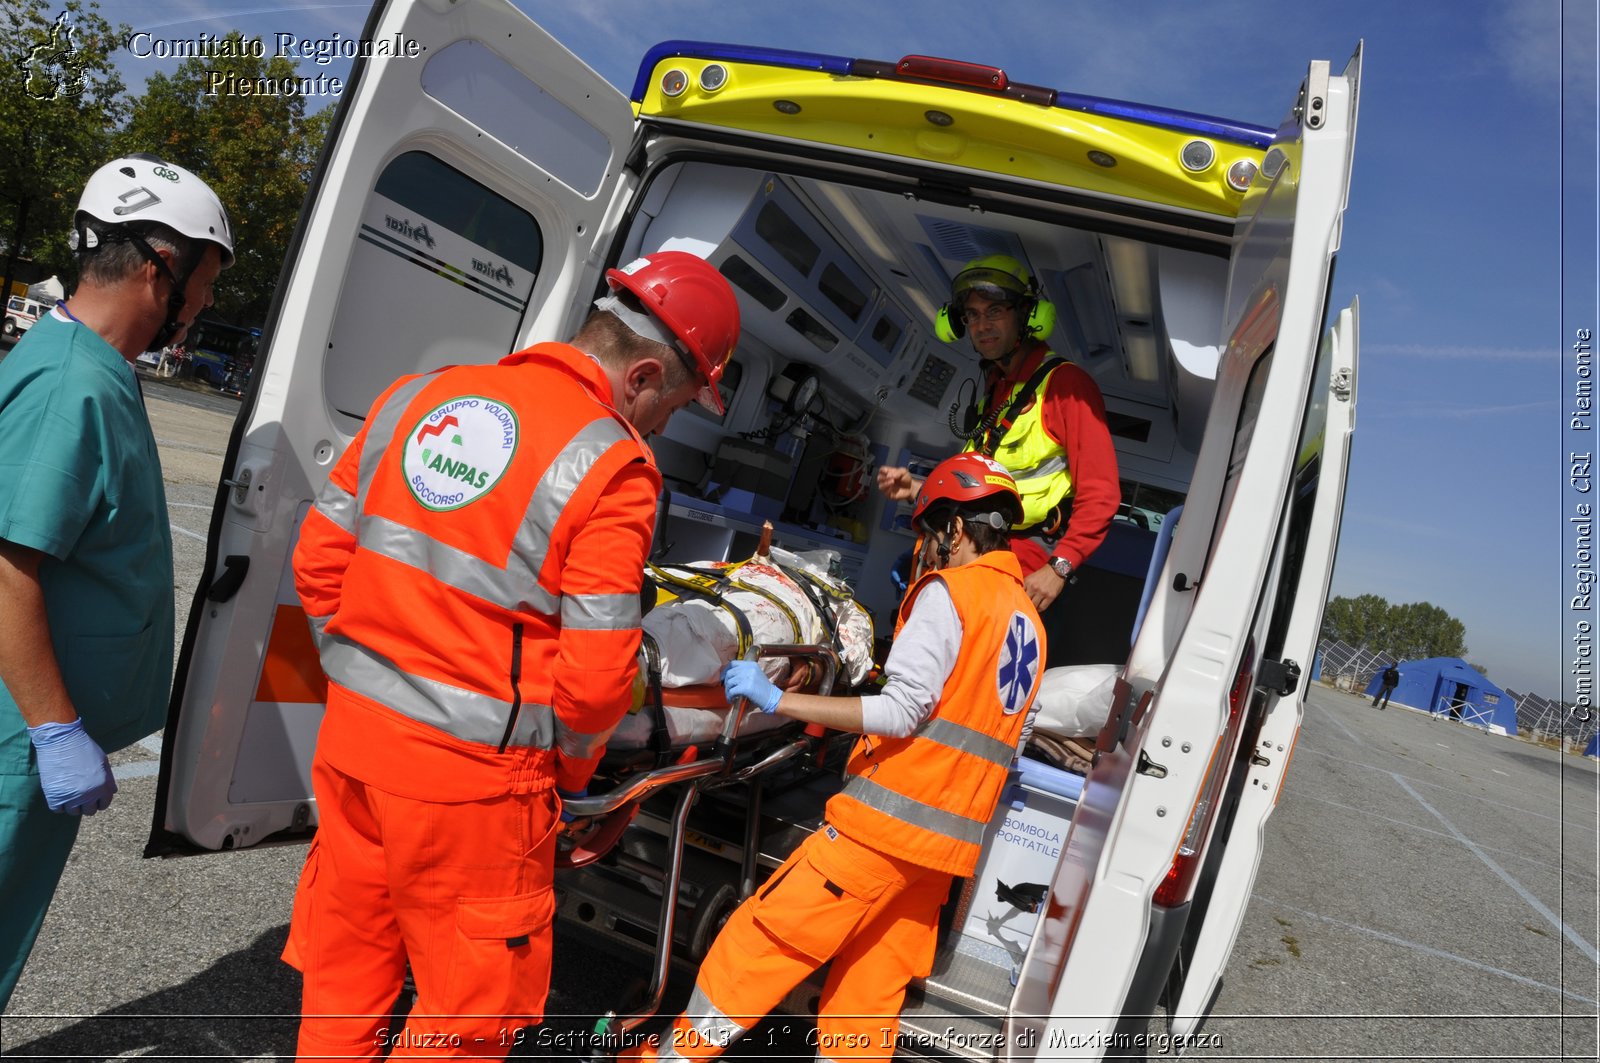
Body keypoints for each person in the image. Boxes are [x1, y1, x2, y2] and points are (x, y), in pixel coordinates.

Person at [283, 250, 740, 1060]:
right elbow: (598, 681)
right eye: (672, 402)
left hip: (354, 747)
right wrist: (564, 783)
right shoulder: (613, 465)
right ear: (639, 376)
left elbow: (319, 562)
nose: (665, 424)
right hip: (476, 789)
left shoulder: (418, 394)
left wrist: (364, 677)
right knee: (464, 1021)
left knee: (343, 983)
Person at [625, 453, 1046, 1062]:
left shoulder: (951, 594)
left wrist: (781, 698)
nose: (927, 549)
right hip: (943, 855)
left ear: (954, 529)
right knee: (867, 998)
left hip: (880, 833)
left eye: (931, 534)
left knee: (758, 946)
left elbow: (902, 711)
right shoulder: (1028, 622)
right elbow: (1014, 732)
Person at [0, 154, 232, 1008]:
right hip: (20, 735)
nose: (207, 302)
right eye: (204, 280)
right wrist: (57, 729)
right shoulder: (73, 384)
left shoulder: (92, 365)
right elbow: (6, 565)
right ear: (157, 264)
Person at [876, 255, 1119, 666]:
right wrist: (917, 488)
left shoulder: (1066, 386)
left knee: (974, 681)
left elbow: (1102, 493)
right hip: (970, 560)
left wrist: (1059, 569)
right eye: (971, 315)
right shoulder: (996, 387)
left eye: (994, 312)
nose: (982, 326)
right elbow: (989, 484)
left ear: (1027, 315)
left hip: (1021, 568)